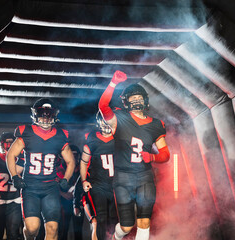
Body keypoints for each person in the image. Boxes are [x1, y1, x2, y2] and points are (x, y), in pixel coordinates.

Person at [98, 71, 170, 240]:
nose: (137, 100)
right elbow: (102, 106)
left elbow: (165, 154)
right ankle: (115, 237)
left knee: (144, 223)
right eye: (133, 98)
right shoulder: (119, 119)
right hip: (123, 178)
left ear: (145, 100)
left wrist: (152, 157)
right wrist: (113, 84)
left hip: (145, 177)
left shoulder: (156, 124)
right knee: (126, 225)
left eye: (139, 97)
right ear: (126, 102)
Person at [6, 98, 75, 240]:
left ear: (54, 116)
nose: (45, 119)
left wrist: (66, 179)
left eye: (48, 115)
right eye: (42, 115)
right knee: (32, 228)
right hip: (30, 187)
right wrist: (14, 176)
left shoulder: (61, 135)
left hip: (51, 187)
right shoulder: (26, 132)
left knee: (53, 228)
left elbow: (71, 161)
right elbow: (11, 155)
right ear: (35, 115)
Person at [80, 111, 118, 240]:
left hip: (117, 184)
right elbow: (84, 163)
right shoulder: (92, 138)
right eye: (104, 120)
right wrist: (84, 180)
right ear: (99, 122)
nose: (107, 124)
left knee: (115, 218)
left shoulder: (120, 138)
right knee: (100, 217)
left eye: (109, 121)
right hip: (98, 184)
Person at [0, 132, 23, 240]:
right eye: (6, 143)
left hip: (15, 201)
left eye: (11, 143)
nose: (8, 146)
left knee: (13, 234)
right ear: (0, 145)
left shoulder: (22, 161)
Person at [57, 145, 84, 240]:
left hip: (78, 201)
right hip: (63, 202)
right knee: (63, 229)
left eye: (75, 155)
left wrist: (78, 195)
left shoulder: (82, 168)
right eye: (71, 155)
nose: (73, 157)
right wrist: (63, 194)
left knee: (78, 230)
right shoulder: (60, 167)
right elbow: (53, 185)